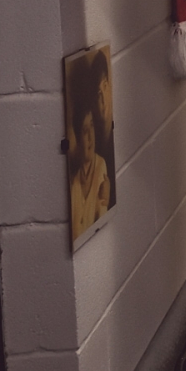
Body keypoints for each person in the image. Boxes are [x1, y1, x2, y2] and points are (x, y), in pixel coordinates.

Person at [69, 55, 114, 241]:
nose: (89, 137)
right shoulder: (75, 184)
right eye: (97, 94)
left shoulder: (102, 164)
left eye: (105, 87)